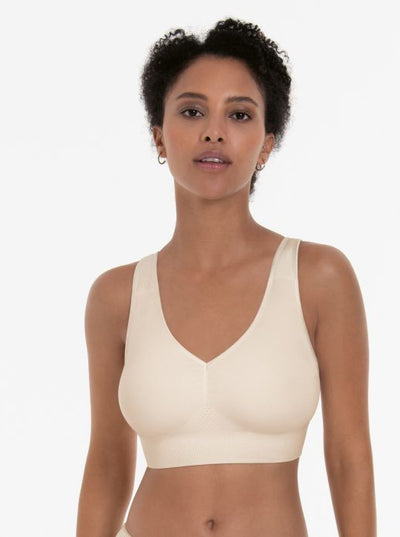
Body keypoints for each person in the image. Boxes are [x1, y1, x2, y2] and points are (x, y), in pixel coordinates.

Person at [76, 17, 377, 537]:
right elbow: (107, 462)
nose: (213, 131)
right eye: (192, 111)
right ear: (159, 137)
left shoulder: (319, 278)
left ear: (266, 144)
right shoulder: (116, 297)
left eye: (239, 114)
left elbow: (350, 456)